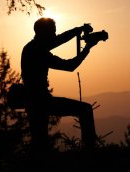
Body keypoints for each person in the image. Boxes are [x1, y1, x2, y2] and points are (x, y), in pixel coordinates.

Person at [21, 17, 103, 159]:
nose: (54, 35)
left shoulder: (32, 47)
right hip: (41, 101)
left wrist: (78, 30)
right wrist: (87, 48)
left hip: (34, 101)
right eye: (52, 32)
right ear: (43, 33)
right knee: (85, 109)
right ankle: (90, 155)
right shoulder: (38, 51)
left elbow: (59, 39)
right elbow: (69, 66)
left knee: (39, 143)